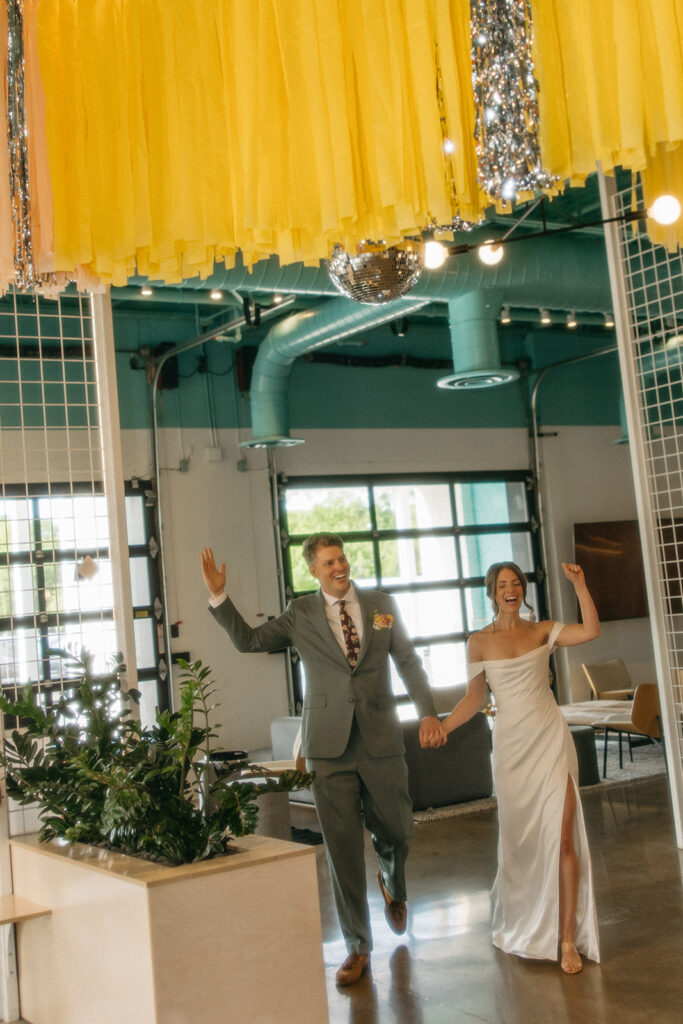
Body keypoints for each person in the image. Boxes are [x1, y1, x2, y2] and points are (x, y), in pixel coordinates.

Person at [200, 534, 446, 986]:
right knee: (342, 849)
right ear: (313, 569)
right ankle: (358, 947)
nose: (340, 566)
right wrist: (220, 596)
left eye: (343, 558)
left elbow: (407, 661)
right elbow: (250, 641)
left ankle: (393, 880)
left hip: (381, 738)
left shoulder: (380, 605)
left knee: (397, 827)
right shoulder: (301, 614)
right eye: (329, 562)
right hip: (327, 747)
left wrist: (428, 712)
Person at [442, 561, 601, 975]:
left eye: (516, 583)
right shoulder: (478, 642)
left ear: (523, 589)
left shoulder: (543, 630)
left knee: (562, 837)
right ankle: (528, 921)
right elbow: (475, 699)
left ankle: (567, 939)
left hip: (550, 740)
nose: (510, 590)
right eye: (501, 585)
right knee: (522, 842)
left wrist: (580, 586)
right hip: (511, 750)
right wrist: (443, 727)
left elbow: (590, 632)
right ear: (491, 592)